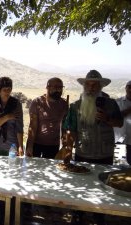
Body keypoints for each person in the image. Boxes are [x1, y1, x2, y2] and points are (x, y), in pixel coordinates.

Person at [63, 70, 123, 225]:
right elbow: (71, 130)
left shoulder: (111, 104)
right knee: (81, 187)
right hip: (83, 153)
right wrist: (68, 152)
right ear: (84, 86)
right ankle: (79, 214)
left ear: (100, 86)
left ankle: (99, 215)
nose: (91, 87)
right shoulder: (76, 106)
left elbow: (120, 123)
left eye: (94, 84)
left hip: (105, 153)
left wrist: (107, 119)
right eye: (88, 84)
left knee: (103, 186)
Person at [26, 77, 68, 159]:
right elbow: (32, 126)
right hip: (36, 144)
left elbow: (64, 125)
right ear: (47, 87)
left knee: (51, 170)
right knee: (34, 169)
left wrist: (65, 144)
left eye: (60, 87)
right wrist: (30, 146)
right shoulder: (37, 102)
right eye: (55, 87)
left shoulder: (64, 104)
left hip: (54, 145)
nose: (58, 90)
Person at [0, 77, 24, 156]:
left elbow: (19, 127)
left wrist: (20, 146)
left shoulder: (16, 104)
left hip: (11, 146)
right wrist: (7, 117)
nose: (7, 92)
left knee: (12, 167)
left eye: (9, 89)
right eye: (4, 90)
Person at [114, 80, 131, 165]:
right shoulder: (118, 102)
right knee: (118, 164)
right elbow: (115, 116)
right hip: (120, 138)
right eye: (129, 87)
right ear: (126, 88)